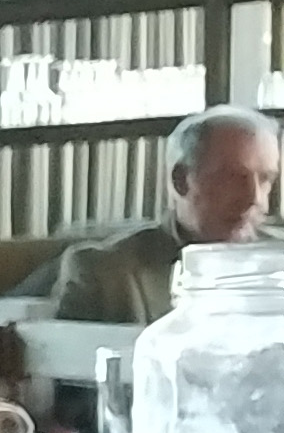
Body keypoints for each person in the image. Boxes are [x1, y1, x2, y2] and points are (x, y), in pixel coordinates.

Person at [46, 104, 279, 324]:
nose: (255, 199)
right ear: (181, 181)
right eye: (231, 178)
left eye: (266, 179)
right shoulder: (104, 273)